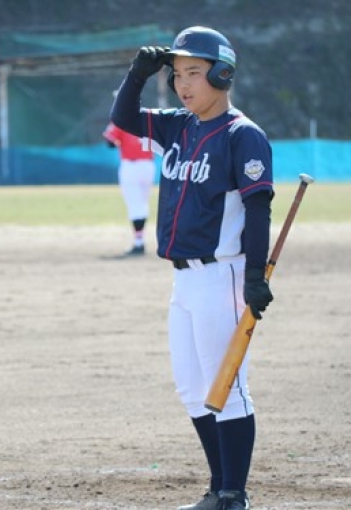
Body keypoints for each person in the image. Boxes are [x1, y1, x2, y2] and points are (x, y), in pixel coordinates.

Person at [110, 26, 274, 510]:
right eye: (177, 74)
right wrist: (137, 74)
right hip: (183, 279)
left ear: (222, 75)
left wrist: (255, 276)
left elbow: (258, 209)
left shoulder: (243, 135)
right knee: (192, 388)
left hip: (223, 275)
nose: (183, 84)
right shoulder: (178, 126)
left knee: (228, 389)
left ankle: (233, 495)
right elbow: (123, 118)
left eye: (194, 73)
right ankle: (218, 490)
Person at [103, 119, 156, 256]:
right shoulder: (148, 118)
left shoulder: (122, 119)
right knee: (142, 204)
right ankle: (140, 239)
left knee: (135, 205)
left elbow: (109, 142)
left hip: (131, 166)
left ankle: (139, 242)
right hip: (148, 166)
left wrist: (120, 142)